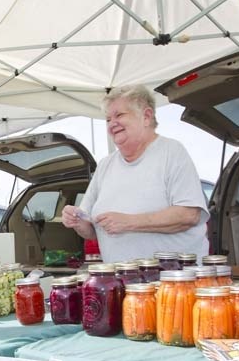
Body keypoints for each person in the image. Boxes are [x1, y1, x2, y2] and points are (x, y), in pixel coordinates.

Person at [61, 84, 209, 263]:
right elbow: (91, 230)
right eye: (108, 119)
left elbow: (188, 215)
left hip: (173, 283)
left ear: (146, 116)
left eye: (119, 115)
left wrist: (129, 222)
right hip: (123, 282)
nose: (112, 123)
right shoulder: (105, 165)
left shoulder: (171, 152)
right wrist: (77, 221)